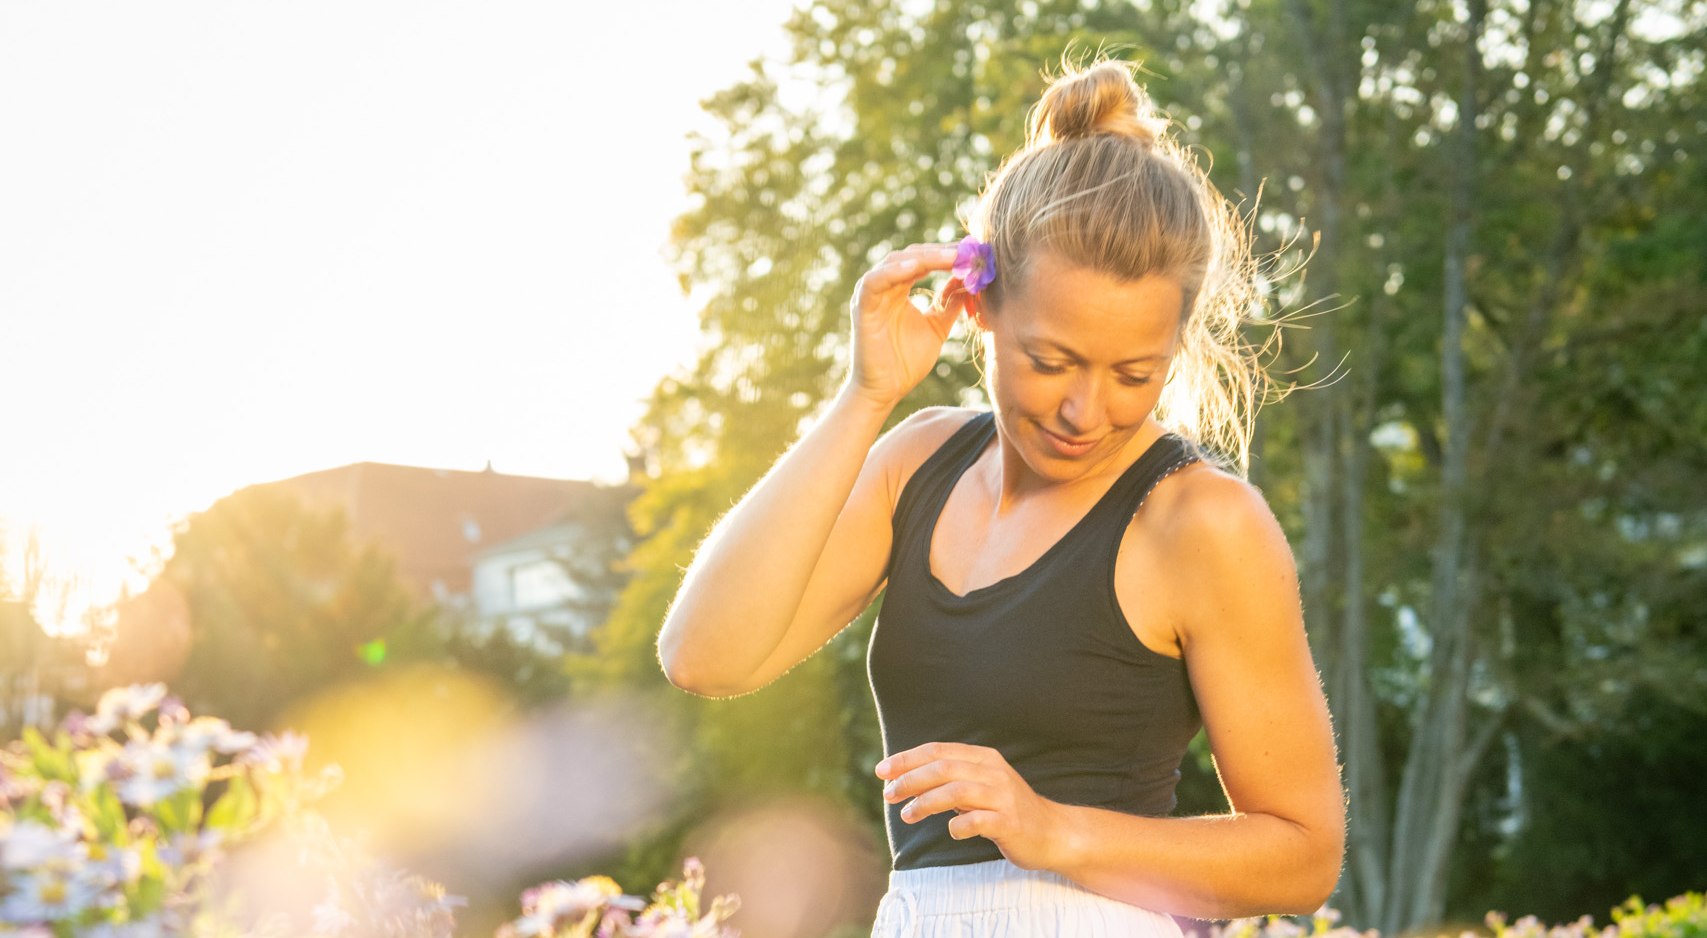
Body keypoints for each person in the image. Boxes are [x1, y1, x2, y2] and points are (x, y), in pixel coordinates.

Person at [656, 58, 1345, 936]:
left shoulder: (1199, 521)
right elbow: (706, 656)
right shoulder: (917, 464)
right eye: (1049, 361)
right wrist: (863, 399)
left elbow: (1302, 853)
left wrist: (1052, 830)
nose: (1081, 410)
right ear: (978, 306)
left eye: (1134, 374)